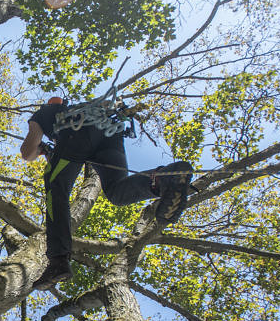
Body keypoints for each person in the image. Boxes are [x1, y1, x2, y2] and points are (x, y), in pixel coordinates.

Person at [21, 96, 191, 289]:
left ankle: (58, 260)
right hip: (111, 135)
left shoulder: (45, 112)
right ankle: (163, 179)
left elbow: (27, 152)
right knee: (117, 192)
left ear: (50, 104)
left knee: (55, 188)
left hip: (75, 135)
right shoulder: (86, 107)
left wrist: (41, 150)